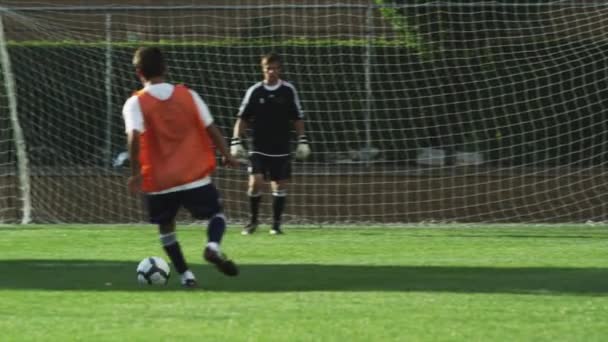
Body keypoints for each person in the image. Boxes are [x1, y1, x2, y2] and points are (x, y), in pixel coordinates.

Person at [122, 46, 239, 288]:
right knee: (216, 213)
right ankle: (212, 246)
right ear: (165, 68)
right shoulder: (188, 95)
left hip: (159, 181)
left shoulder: (135, 103)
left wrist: (135, 174)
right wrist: (226, 154)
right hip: (193, 174)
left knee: (166, 227)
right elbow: (211, 128)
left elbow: (133, 138)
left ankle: (187, 277)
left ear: (138, 72)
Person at [230, 52, 310, 235]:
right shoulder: (254, 91)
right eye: (268, 68)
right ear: (263, 69)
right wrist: (235, 140)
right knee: (255, 182)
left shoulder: (288, 90)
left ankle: (276, 224)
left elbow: (297, 117)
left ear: (280, 69)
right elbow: (242, 118)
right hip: (258, 147)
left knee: (280, 185)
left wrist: (302, 140)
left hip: (281, 147)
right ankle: (252, 221)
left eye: (275, 68)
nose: (272, 72)